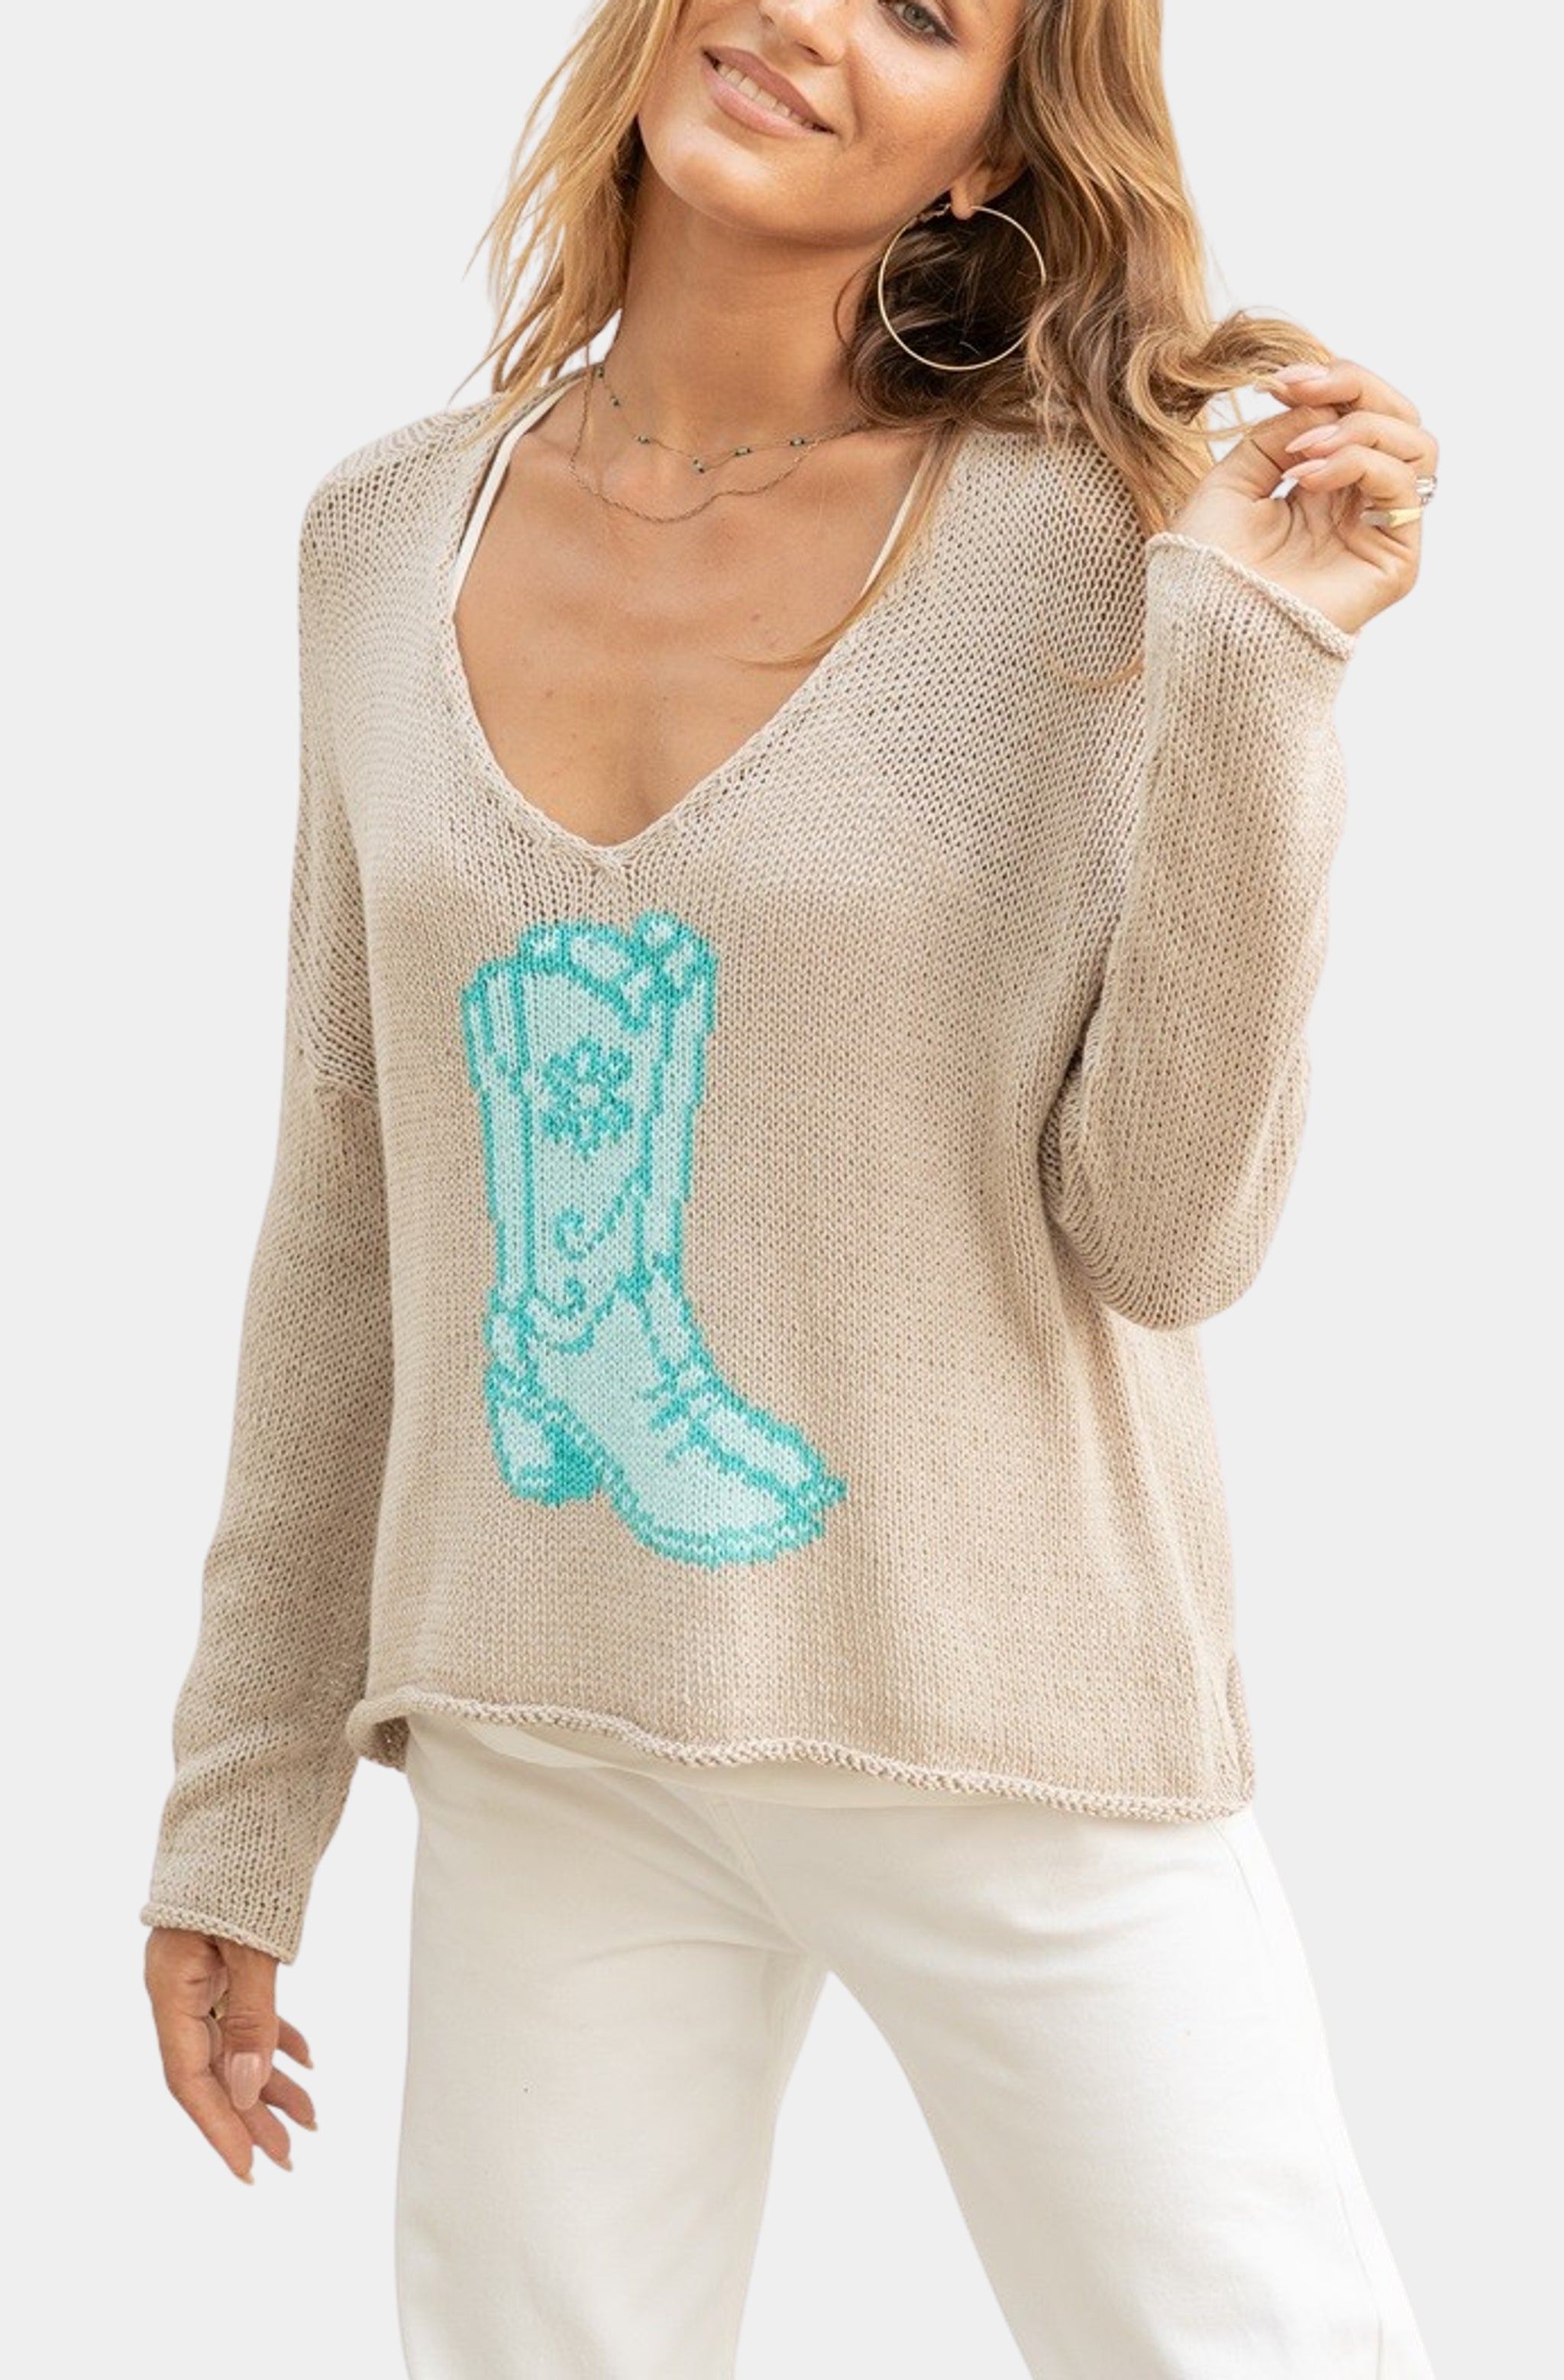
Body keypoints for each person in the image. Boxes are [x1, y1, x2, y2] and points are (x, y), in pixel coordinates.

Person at [141, 2, 1443, 2372]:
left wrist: (1259, 662)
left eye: (927, 12)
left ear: (986, 151)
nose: (814, 19)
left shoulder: (1098, 544)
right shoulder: (380, 534)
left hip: (1001, 1702)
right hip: (543, 1695)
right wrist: (244, 1797)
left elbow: (1169, 1233)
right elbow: (347, 1192)